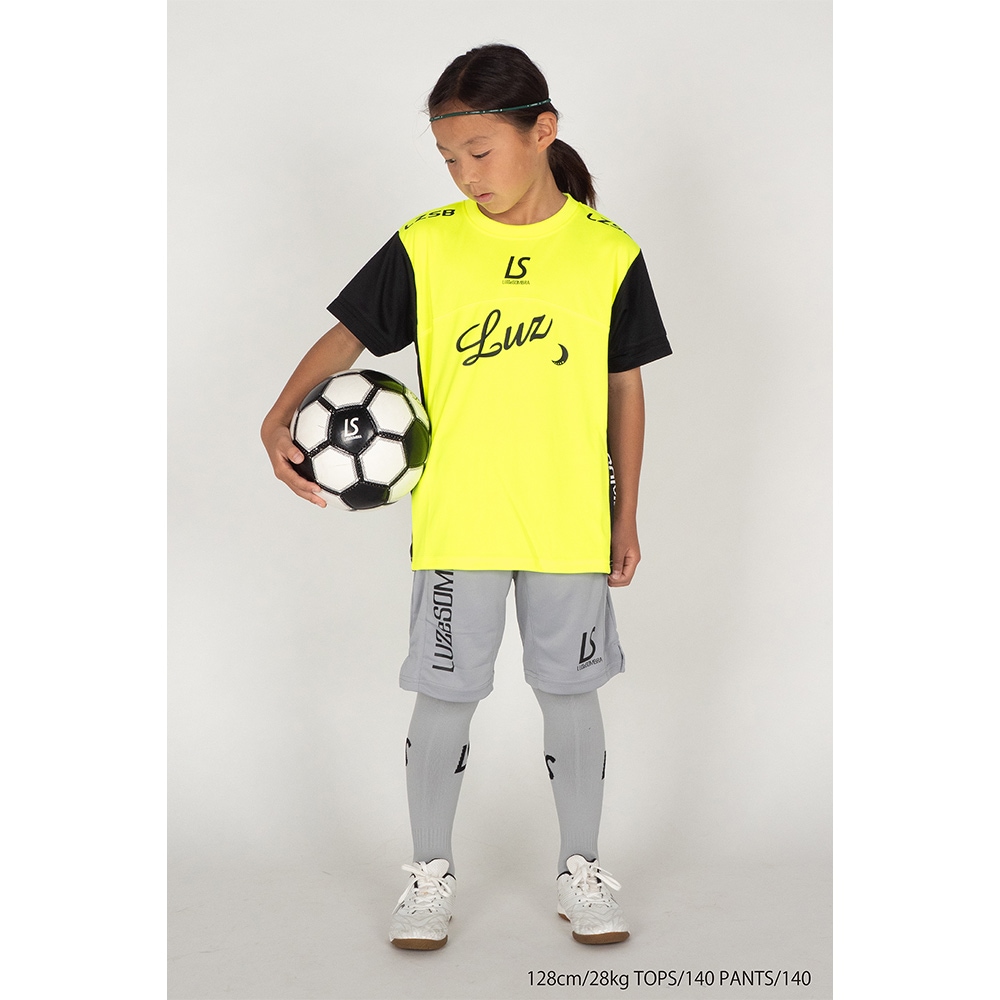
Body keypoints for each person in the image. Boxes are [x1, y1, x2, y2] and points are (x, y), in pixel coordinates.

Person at [260, 43, 671, 950]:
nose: (465, 175)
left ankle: (581, 869)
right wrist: (280, 413)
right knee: (445, 697)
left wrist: (626, 514)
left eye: (479, 152)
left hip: (568, 521)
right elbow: (346, 337)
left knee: (571, 696)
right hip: (460, 521)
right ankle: (429, 873)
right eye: (450, 159)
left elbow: (625, 388)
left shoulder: (608, 253)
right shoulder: (428, 243)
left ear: (542, 131)